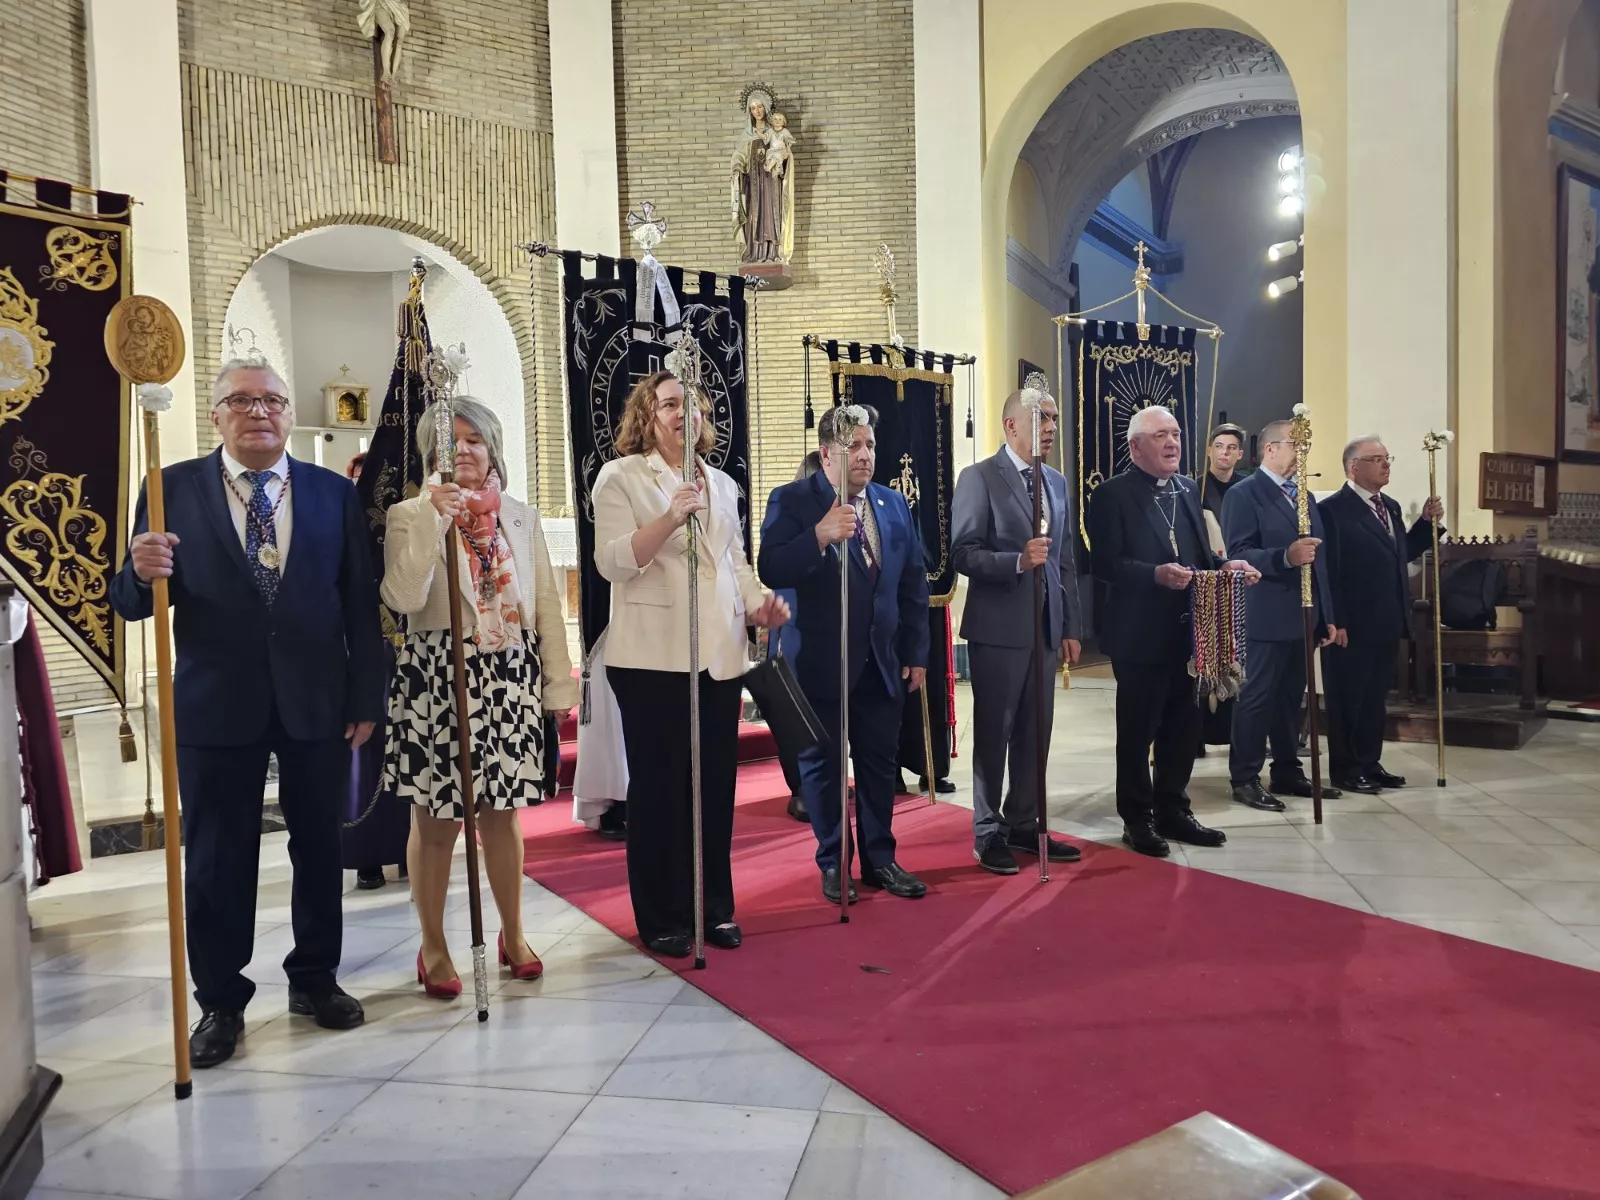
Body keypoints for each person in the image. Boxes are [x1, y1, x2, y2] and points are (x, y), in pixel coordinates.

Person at [109, 358, 385, 1068]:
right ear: (216, 416)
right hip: (213, 702)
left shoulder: (332, 494)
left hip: (316, 699)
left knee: (319, 848)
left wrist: (364, 696)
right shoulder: (168, 489)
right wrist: (139, 572)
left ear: (290, 414)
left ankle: (315, 978)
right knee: (215, 860)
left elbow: (358, 602)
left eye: (271, 400)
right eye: (241, 400)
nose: (258, 411)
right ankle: (220, 1002)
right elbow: (137, 603)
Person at [379, 397, 577, 996]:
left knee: (502, 817)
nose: (462, 450)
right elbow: (403, 597)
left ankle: (513, 933)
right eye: (450, 442)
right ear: (430, 454)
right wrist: (434, 523)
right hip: (438, 676)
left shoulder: (519, 516)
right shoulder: (406, 514)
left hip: (506, 672)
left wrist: (558, 683)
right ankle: (434, 945)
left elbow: (544, 605)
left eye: (474, 440)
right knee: (436, 820)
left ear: (493, 448)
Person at [593, 369, 790, 958]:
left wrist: (759, 606)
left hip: (718, 657)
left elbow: (734, 561)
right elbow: (611, 562)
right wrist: (670, 517)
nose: (684, 414)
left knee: (714, 789)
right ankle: (662, 916)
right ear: (648, 418)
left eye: (692, 405)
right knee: (659, 792)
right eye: (670, 405)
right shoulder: (622, 477)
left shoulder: (723, 484)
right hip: (652, 657)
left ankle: (714, 906)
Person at [759, 404, 931, 903]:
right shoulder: (793, 500)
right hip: (819, 662)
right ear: (825, 453)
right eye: (852, 446)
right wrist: (817, 536)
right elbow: (771, 565)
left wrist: (917, 651)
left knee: (879, 764)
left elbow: (912, 587)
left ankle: (881, 859)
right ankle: (834, 860)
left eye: (870, 445)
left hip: (882, 662)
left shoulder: (893, 505)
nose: (864, 455)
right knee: (823, 766)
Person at [1087, 406, 1255, 857]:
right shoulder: (1110, 496)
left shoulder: (1186, 489)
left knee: (1184, 728)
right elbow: (1103, 564)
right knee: (1139, 730)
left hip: (1188, 634)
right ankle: (1137, 817)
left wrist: (1226, 566)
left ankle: (1174, 809)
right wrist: (1154, 574)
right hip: (1139, 635)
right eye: (1160, 435)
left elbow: (1200, 555)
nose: (1172, 443)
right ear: (1136, 446)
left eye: (1176, 434)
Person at [951, 388, 1084, 875]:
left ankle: (1024, 820)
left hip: (1045, 629)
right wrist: (1015, 560)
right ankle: (987, 833)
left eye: (1054, 417)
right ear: (1011, 426)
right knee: (994, 732)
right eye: (1041, 418)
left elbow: (1065, 559)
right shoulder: (980, 478)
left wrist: (1071, 623)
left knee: (1036, 731)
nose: (1051, 427)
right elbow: (962, 553)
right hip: (998, 629)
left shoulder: (1056, 482)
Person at [1221, 419, 1344, 813]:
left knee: (1292, 698)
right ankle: (1245, 776)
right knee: (1257, 697)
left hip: (1302, 616)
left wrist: (1325, 613)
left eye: (1306, 446)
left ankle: (1288, 769)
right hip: (1264, 611)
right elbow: (1238, 553)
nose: (1302, 452)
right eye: (1296, 444)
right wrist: (1284, 557)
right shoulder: (1245, 494)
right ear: (1270, 449)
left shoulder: (1304, 497)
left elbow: (1319, 562)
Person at [1320, 437, 1443, 793]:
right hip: (1351, 624)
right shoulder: (1332, 510)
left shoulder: (1387, 505)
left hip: (1386, 619)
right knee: (1349, 699)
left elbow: (1397, 554)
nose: (1386, 464)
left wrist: (1425, 524)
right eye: (1377, 459)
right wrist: (1335, 619)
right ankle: (1346, 768)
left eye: (1387, 458)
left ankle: (1370, 763)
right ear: (1353, 467)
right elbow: (1329, 570)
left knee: (1375, 700)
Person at [341, 450, 407, 891]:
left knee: (406, 751)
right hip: (362, 652)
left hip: (407, 646)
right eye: (361, 477)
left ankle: (404, 850)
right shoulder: (342, 522)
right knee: (366, 757)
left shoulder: (405, 520)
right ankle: (366, 856)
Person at [769, 450, 821, 823]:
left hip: (825, 629)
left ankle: (820, 780)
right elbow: (774, 565)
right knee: (795, 711)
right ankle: (800, 788)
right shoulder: (789, 506)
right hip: (793, 626)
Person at [1200, 423, 1247, 557]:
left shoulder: (1248, 487)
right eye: (1219, 446)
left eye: (1231, 448)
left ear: (1240, 454)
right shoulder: (1195, 488)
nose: (1224, 452)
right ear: (1209, 450)